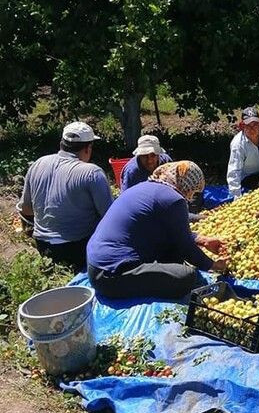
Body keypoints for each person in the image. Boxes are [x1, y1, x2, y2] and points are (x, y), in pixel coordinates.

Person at [87, 161, 228, 299]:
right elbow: (186, 247)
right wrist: (213, 265)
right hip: (111, 275)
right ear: (187, 185)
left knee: (172, 247)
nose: (192, 196)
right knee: (187, 277)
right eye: (194, 191)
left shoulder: (146, 186)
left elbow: (175, 232)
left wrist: (202, 240)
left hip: (96, 263)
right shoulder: (174, 199)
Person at [16, 121, 112, 272]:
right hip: (77, 246)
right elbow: (110, 216)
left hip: (43, 246)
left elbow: (26, 210)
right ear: (88, 148)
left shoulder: (38, 163)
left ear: (62, 144)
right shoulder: (91, 173)